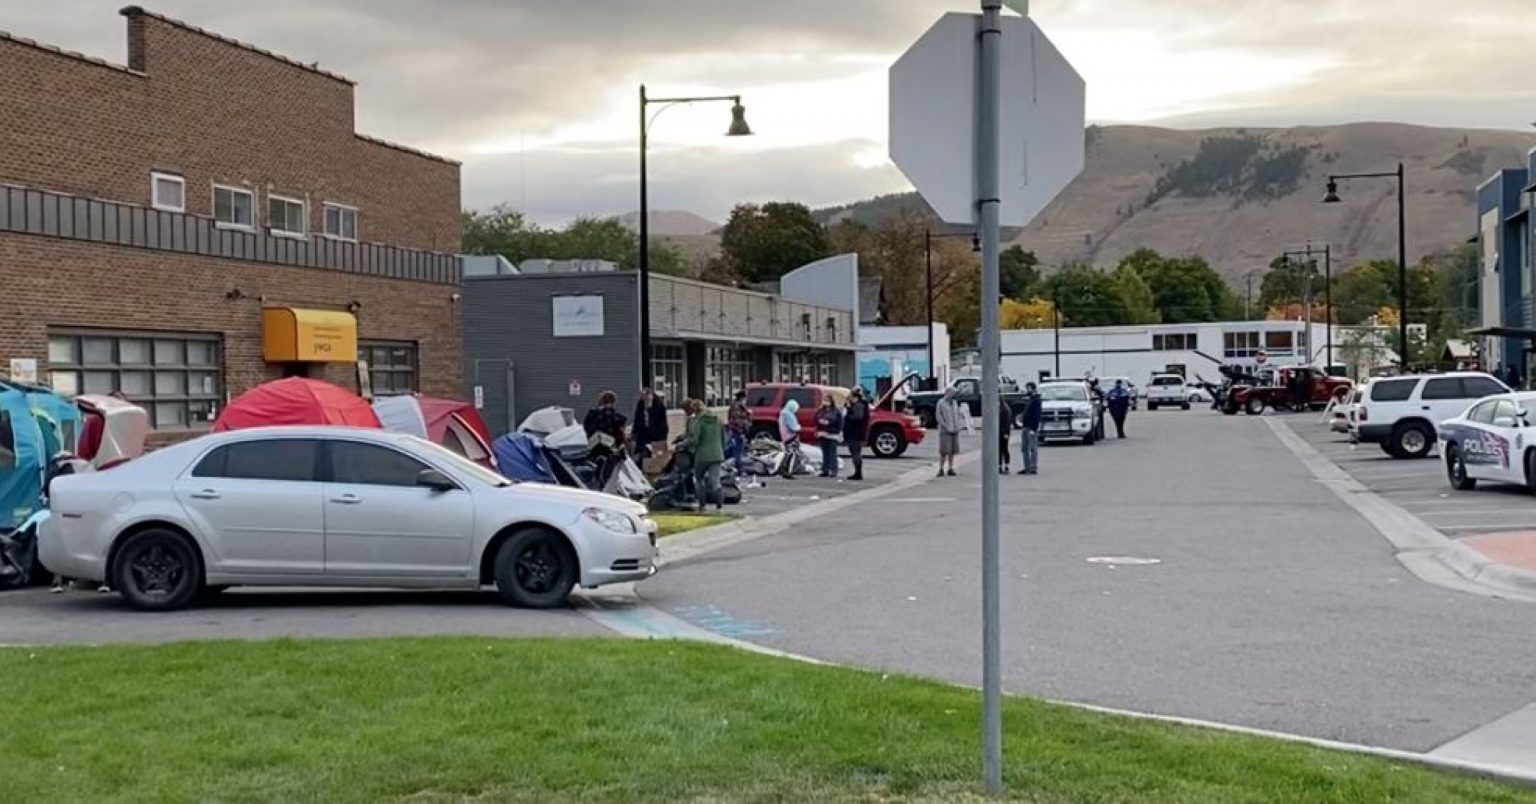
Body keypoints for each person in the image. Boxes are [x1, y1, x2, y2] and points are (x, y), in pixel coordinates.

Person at [684, 399, 726, 511]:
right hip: (717, 454)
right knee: (715, 481)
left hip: (702, 456)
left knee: (699, 479)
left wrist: (683, 445)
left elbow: (695, 440)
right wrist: (722, 450)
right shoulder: (718, 420)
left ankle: (702, 504)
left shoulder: (699, 421)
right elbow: (723, 438)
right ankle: (719, 504)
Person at [630, 388, 669, 459]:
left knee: (655, 453)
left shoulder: (659, 406)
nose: (646, 401)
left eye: (647, 399)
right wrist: (634, 434)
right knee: (642, 450)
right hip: (644, 432)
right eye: (644, 399)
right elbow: (637, 420)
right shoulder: (640, 405)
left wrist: (649, 409)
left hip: (656, 433)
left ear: (652, 397)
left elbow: (661, 422)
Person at [935, 388, 965, 477]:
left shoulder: (954, 403)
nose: (953, 395)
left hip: (955, 429)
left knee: (952, 451)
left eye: (954, 393)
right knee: (944, 451)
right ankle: (941, 469)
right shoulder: (941, 403)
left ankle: (950, 468)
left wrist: (960, 424)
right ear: (947, 393)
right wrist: (945, 425)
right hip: (945, 430)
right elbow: (938, 416)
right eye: (952, 393)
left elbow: (958, 415)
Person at [842, 388, 870, 481]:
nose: (849, 399)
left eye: (850, 397)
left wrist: (848, 412)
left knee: (855, 452)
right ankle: (857, 472)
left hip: (855, 433)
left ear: (855, 397)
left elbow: (857, 418)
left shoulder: (858, 406)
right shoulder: (859, 405)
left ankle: (858, 473)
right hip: (854, 432)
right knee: (855, 452)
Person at [814, 395, 843, 478]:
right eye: (824, 400)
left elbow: (837, 421)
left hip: (832, 434)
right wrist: (820, 421)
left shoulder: (836, 411)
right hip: (822, 434)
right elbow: (816, 418)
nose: (825, 402)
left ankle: (834, 470)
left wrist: (828, 422)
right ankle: (825, 470)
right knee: (825, 453)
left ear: (831, 402)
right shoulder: (821, 410)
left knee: (832, 453)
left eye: (827, 400)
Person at [1017, 382, 1041, 475]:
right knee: (1024, 448)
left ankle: (1033, 467)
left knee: (1032, 447)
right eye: (1027, 388)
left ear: (1033, 389)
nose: (1027, 390)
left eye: (1029, 388)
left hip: (1031, 428)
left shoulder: (1036, 400)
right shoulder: (1028, 399)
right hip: (1025, 426)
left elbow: (1037, 415)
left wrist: (1034, 428)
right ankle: (1026, 467)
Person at [726, 390, 752, 473]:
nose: (746, 400)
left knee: (739, 449)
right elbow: (737, 420)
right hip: (737, 431)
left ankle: (738, 467)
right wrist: (742, 430)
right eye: (745, 398)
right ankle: (738, 468)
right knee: (738, 450)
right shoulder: (737, 407)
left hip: (738, 430)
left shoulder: (739, 406)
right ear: (742, 398)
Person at [778, 399, 802, 479]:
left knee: (787, 454)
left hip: (785, 437)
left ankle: (784, 470)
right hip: (792, 437)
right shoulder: (789, 415)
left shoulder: (782, 413)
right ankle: (789, 472)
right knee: (792, 455)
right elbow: (794, 427)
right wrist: (799, 428)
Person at [998, 394, 1014, 473]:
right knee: (1003, 449)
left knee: (1002, 449)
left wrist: (1005, 433)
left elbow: (1006, 423)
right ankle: (1004, 466)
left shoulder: (1004, 410)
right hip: (1004, 432)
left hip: (1003, 432)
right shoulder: (1005, 408)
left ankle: (1002, 466)